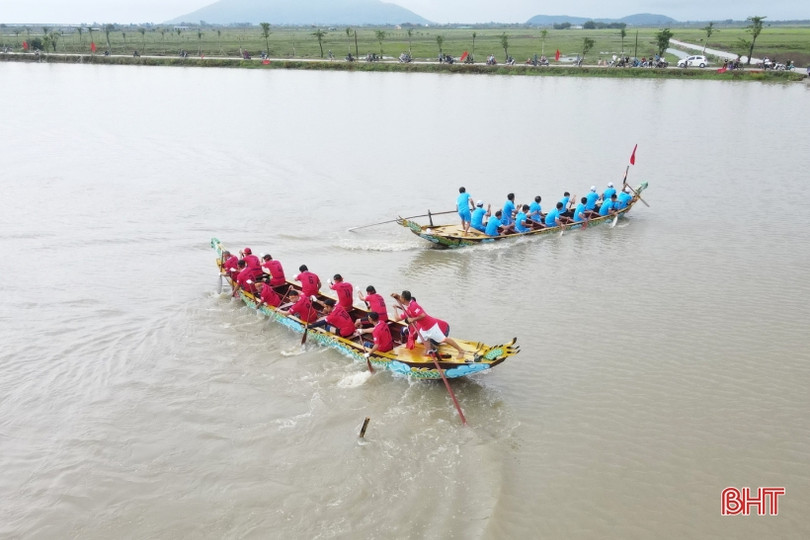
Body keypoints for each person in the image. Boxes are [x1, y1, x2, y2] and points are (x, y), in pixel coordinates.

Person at [391, 291, 465, 359]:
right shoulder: (409, 307)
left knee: (443, 339)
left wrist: (413, 319)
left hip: (431, 326)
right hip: (424, 328)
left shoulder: (413, 305)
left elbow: (423, 315)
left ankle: (461, 351)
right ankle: (430, 351)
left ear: (403, 299)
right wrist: (397, 296)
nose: (400, 299)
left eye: (401, 297)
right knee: (422, 339)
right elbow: (397, 319)